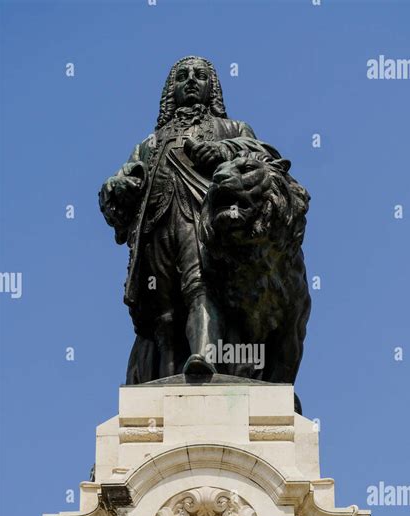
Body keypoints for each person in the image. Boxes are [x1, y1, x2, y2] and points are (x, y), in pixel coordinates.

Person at [99, 56, 281, 382]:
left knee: (200, 285)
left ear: (212, 88)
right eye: (183, 76)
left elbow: (263, 156)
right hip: (157, 226)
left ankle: (204, 358)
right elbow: (121, 187)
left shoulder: (232, 129)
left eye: (200, 75)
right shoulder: (149, 143)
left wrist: (224, 151)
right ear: (172, 90)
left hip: (202, 219)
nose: (192, 81)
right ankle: (165, 376)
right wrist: (117, 186)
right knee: (163, 311)